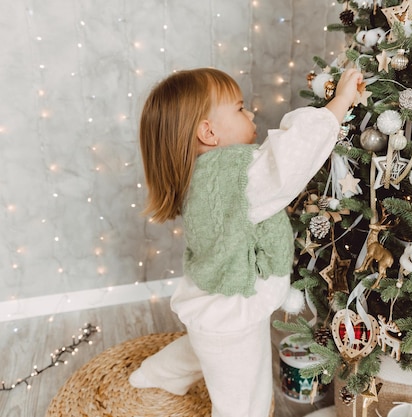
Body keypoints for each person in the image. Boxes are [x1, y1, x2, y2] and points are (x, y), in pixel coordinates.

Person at [130, 67, 363, 417]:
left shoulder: (206, 174)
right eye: (240, 109)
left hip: (211, 305)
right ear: (208, 133)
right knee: (243, 402)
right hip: (231, 317)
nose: (251, 114)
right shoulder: (235, 179)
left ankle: (152, 376)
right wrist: (339, 103)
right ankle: (156, 377)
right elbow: (286, 161)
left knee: (202, 348)